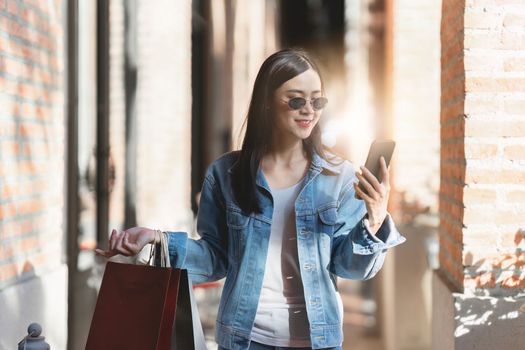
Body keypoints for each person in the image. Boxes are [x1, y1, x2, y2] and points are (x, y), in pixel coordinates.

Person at [96, 48, 406, 350]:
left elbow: (349, 267)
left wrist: (374, 221)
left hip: (316, 341)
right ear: (267, 103)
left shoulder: (340, 177)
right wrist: (157, 238)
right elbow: (215, 259)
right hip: (245, 338)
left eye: (317, 100)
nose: (308, 110)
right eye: (296, 99)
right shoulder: (226, 174)